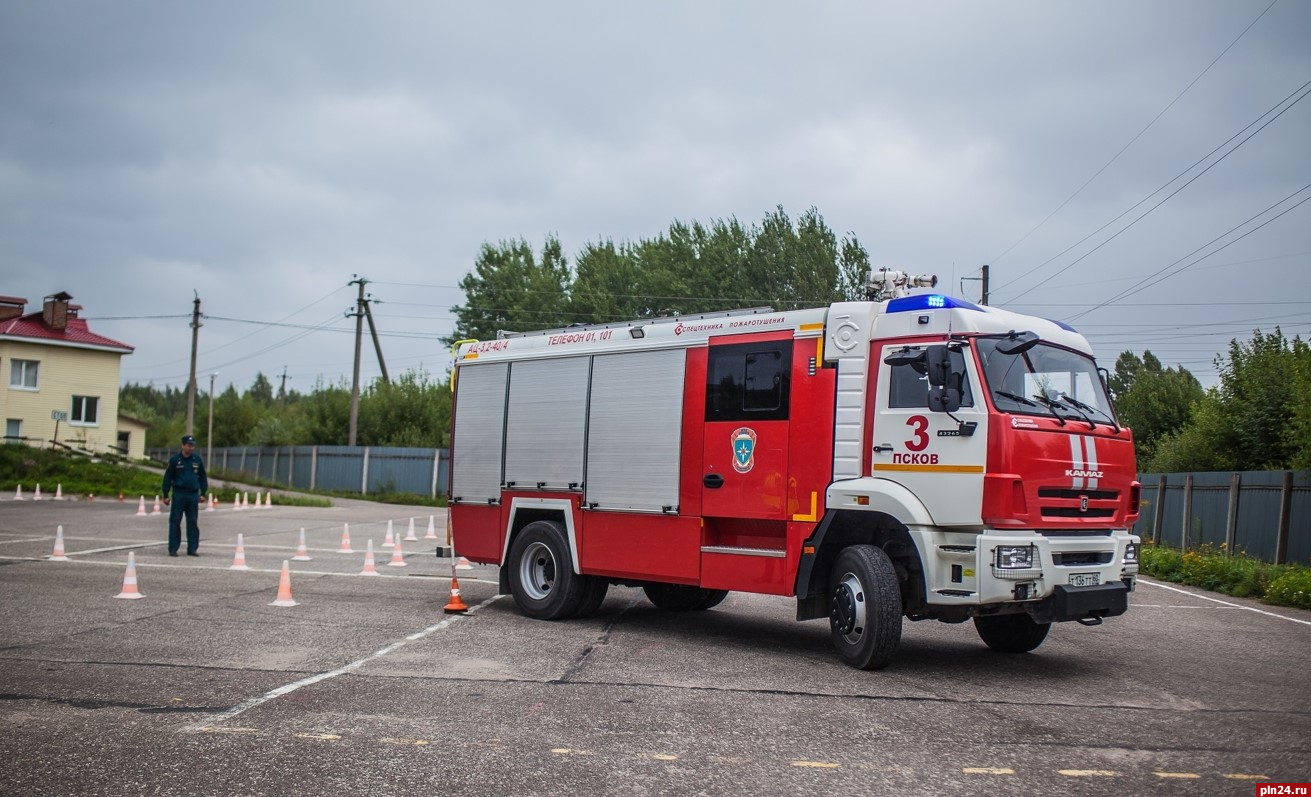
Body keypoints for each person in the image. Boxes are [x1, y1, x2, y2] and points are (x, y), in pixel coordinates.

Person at [162, 434, 208, 556]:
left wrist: (203, 493)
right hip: (179, 494)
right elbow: (168, 477)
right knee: (175, 521)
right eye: (188, 445)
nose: (191, 448)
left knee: (192, 521)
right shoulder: (175, 460)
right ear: (183, 446)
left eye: (192, 446)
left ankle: (192, 548)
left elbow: (202, 477)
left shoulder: (197, 460)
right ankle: (173, 548)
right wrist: (165, 494)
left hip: (192, 495)